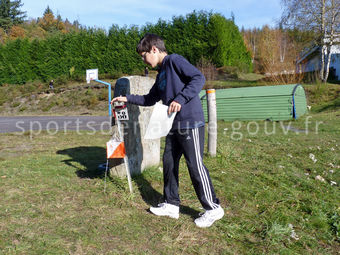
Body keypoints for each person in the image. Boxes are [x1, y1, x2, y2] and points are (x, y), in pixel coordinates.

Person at [111, 33, 224, 228]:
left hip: (190, 122)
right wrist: (127, 99)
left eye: (144, 55)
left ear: (154, 49)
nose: (143, 60)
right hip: (172, 124)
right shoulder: (161, 73)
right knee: (169, 162)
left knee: (195, 165)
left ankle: (213, 208)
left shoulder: (174, 60)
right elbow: (149, 99)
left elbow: (199, 78)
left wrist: (180, 99)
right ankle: (171, 204)